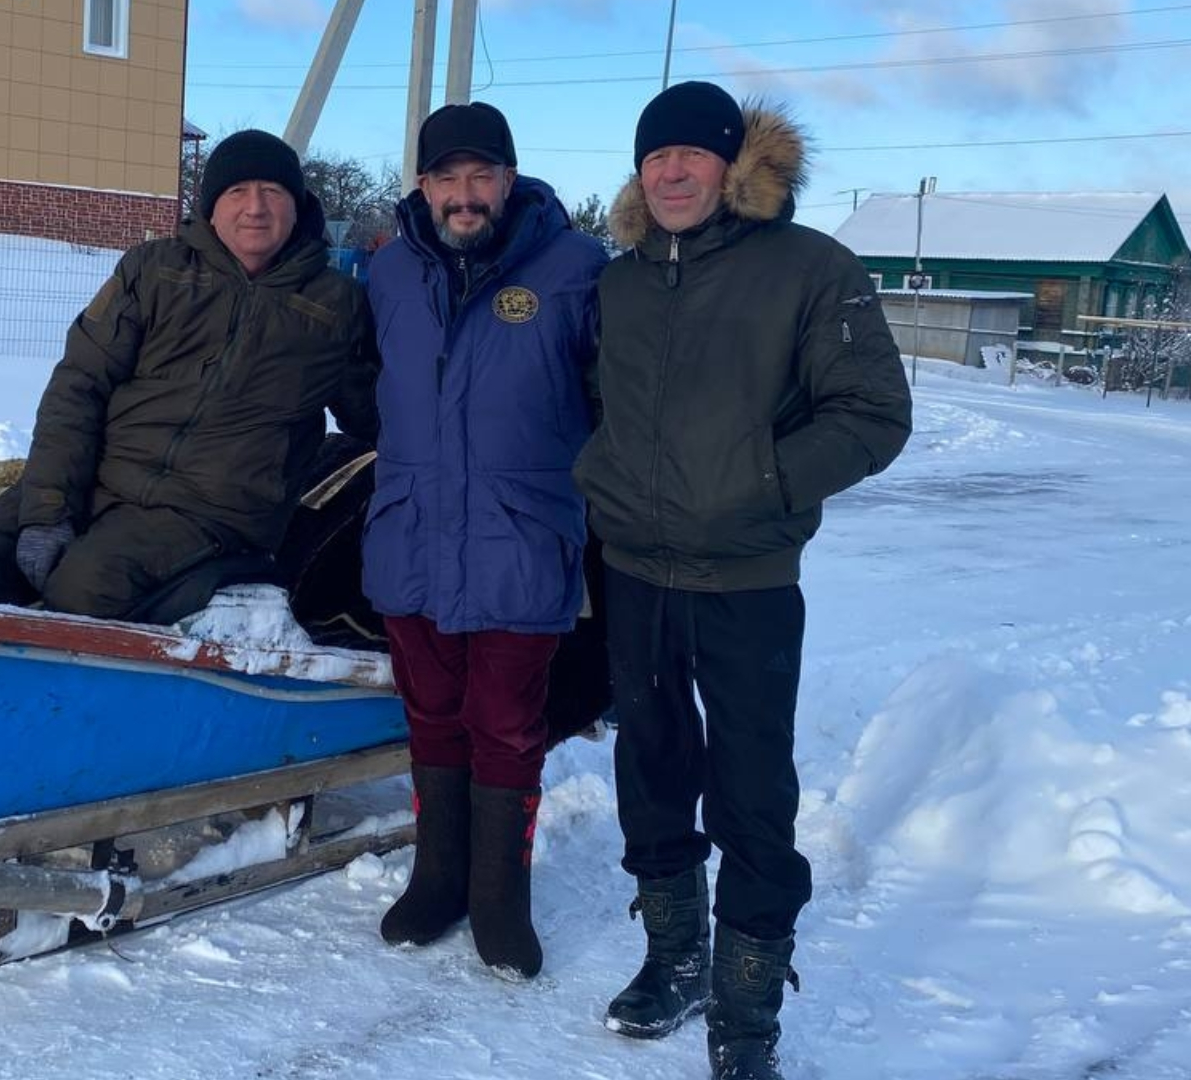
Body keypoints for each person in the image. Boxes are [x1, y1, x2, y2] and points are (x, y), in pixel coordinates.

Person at [576, 82, 912, 1077]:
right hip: (635, 572)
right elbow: (593, 401)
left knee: (753, 796)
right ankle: (675, 960)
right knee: (649, 771)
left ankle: (745, 1016)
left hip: (748, 580)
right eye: (655, 157)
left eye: (691, 153)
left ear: (734, 164)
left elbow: (872, 414)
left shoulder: (809, 268)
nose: (671, 171)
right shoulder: (620, 284)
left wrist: (760, 485)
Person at [0, 130, 379, 622]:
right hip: (102, 479)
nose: (255, 208)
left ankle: (219, 598)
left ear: (297, 206)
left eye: (273, 191)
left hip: (212, 513)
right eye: (237, 191)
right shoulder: (154, 271)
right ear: (211, 207)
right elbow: (78, 387)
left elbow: (376, 413)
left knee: (85, 591)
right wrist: (48, 510)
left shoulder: (337, 306)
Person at [361, 101, 607, 979]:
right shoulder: (388, 272)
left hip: (520, 540)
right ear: (423, 184)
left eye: (481, 175)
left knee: (505, 724)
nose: (464, 195)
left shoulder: (576, 268)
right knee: (431, 715)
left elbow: (612, 399)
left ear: (509, 178)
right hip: (413, 535)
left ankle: (501, 896)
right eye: (447, 177)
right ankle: (438, 879)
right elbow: (363, 387)